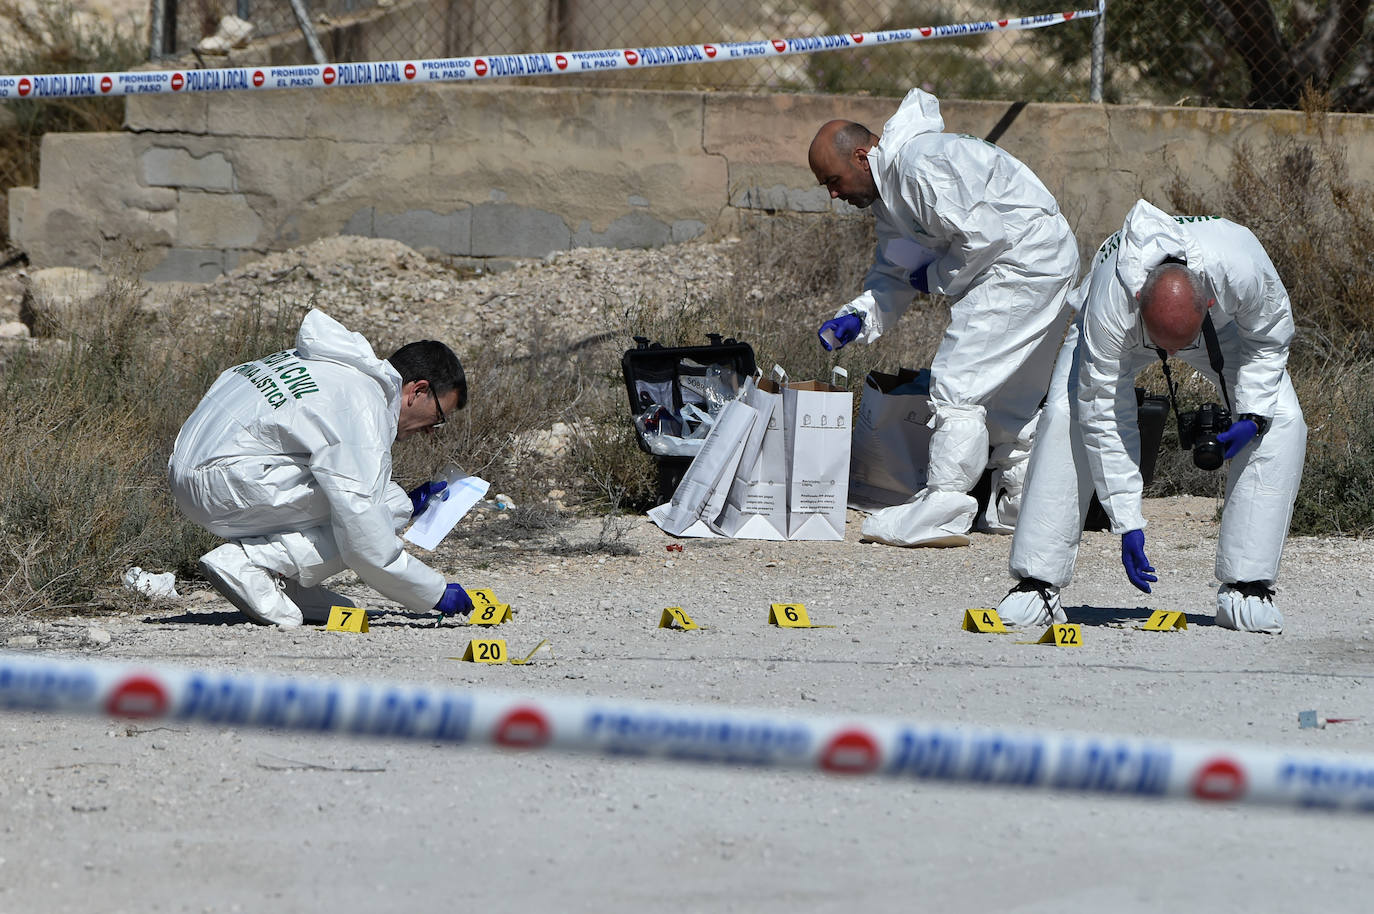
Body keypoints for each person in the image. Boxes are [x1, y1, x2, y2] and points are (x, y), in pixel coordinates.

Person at [996, 199, 1306, 633]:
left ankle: (1246, 589)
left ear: (1210, 298)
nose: (1174, 357)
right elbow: (1103, 413)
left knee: (1284, 421)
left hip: (1219, 331)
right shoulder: (1112, 300)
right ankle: (1037, 584)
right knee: (1066, 412)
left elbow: (1270, 338)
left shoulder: (1242, 265)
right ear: (1140, 296)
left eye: (1181, 345)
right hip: (1126, 332)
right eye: (1167, 346)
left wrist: (1252, 416)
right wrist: (1127, 521)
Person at [810, 87, 1079, 547]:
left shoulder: (920, 164)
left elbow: (983, 238)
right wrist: (858, 315)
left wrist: (932, 276)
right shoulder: (892, 194)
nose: (834, 194)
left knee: (958, 384)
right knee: (1010, 395)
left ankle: (944, 506)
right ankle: (1022, 505)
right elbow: (896, 270)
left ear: (860, 156)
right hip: (1041, 260)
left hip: (1020, 263)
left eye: (833, 180)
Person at [168, 308, 476, 627]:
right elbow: (365, 540)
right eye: (438, 418)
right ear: (418, 390)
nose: (430, 431)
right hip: (227, 485)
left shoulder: (325, 365)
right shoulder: (363, 405)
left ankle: (294, 585)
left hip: (189, 470)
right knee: (387, 506)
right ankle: (250, 564)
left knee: (380, 500)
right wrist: (433, 592)